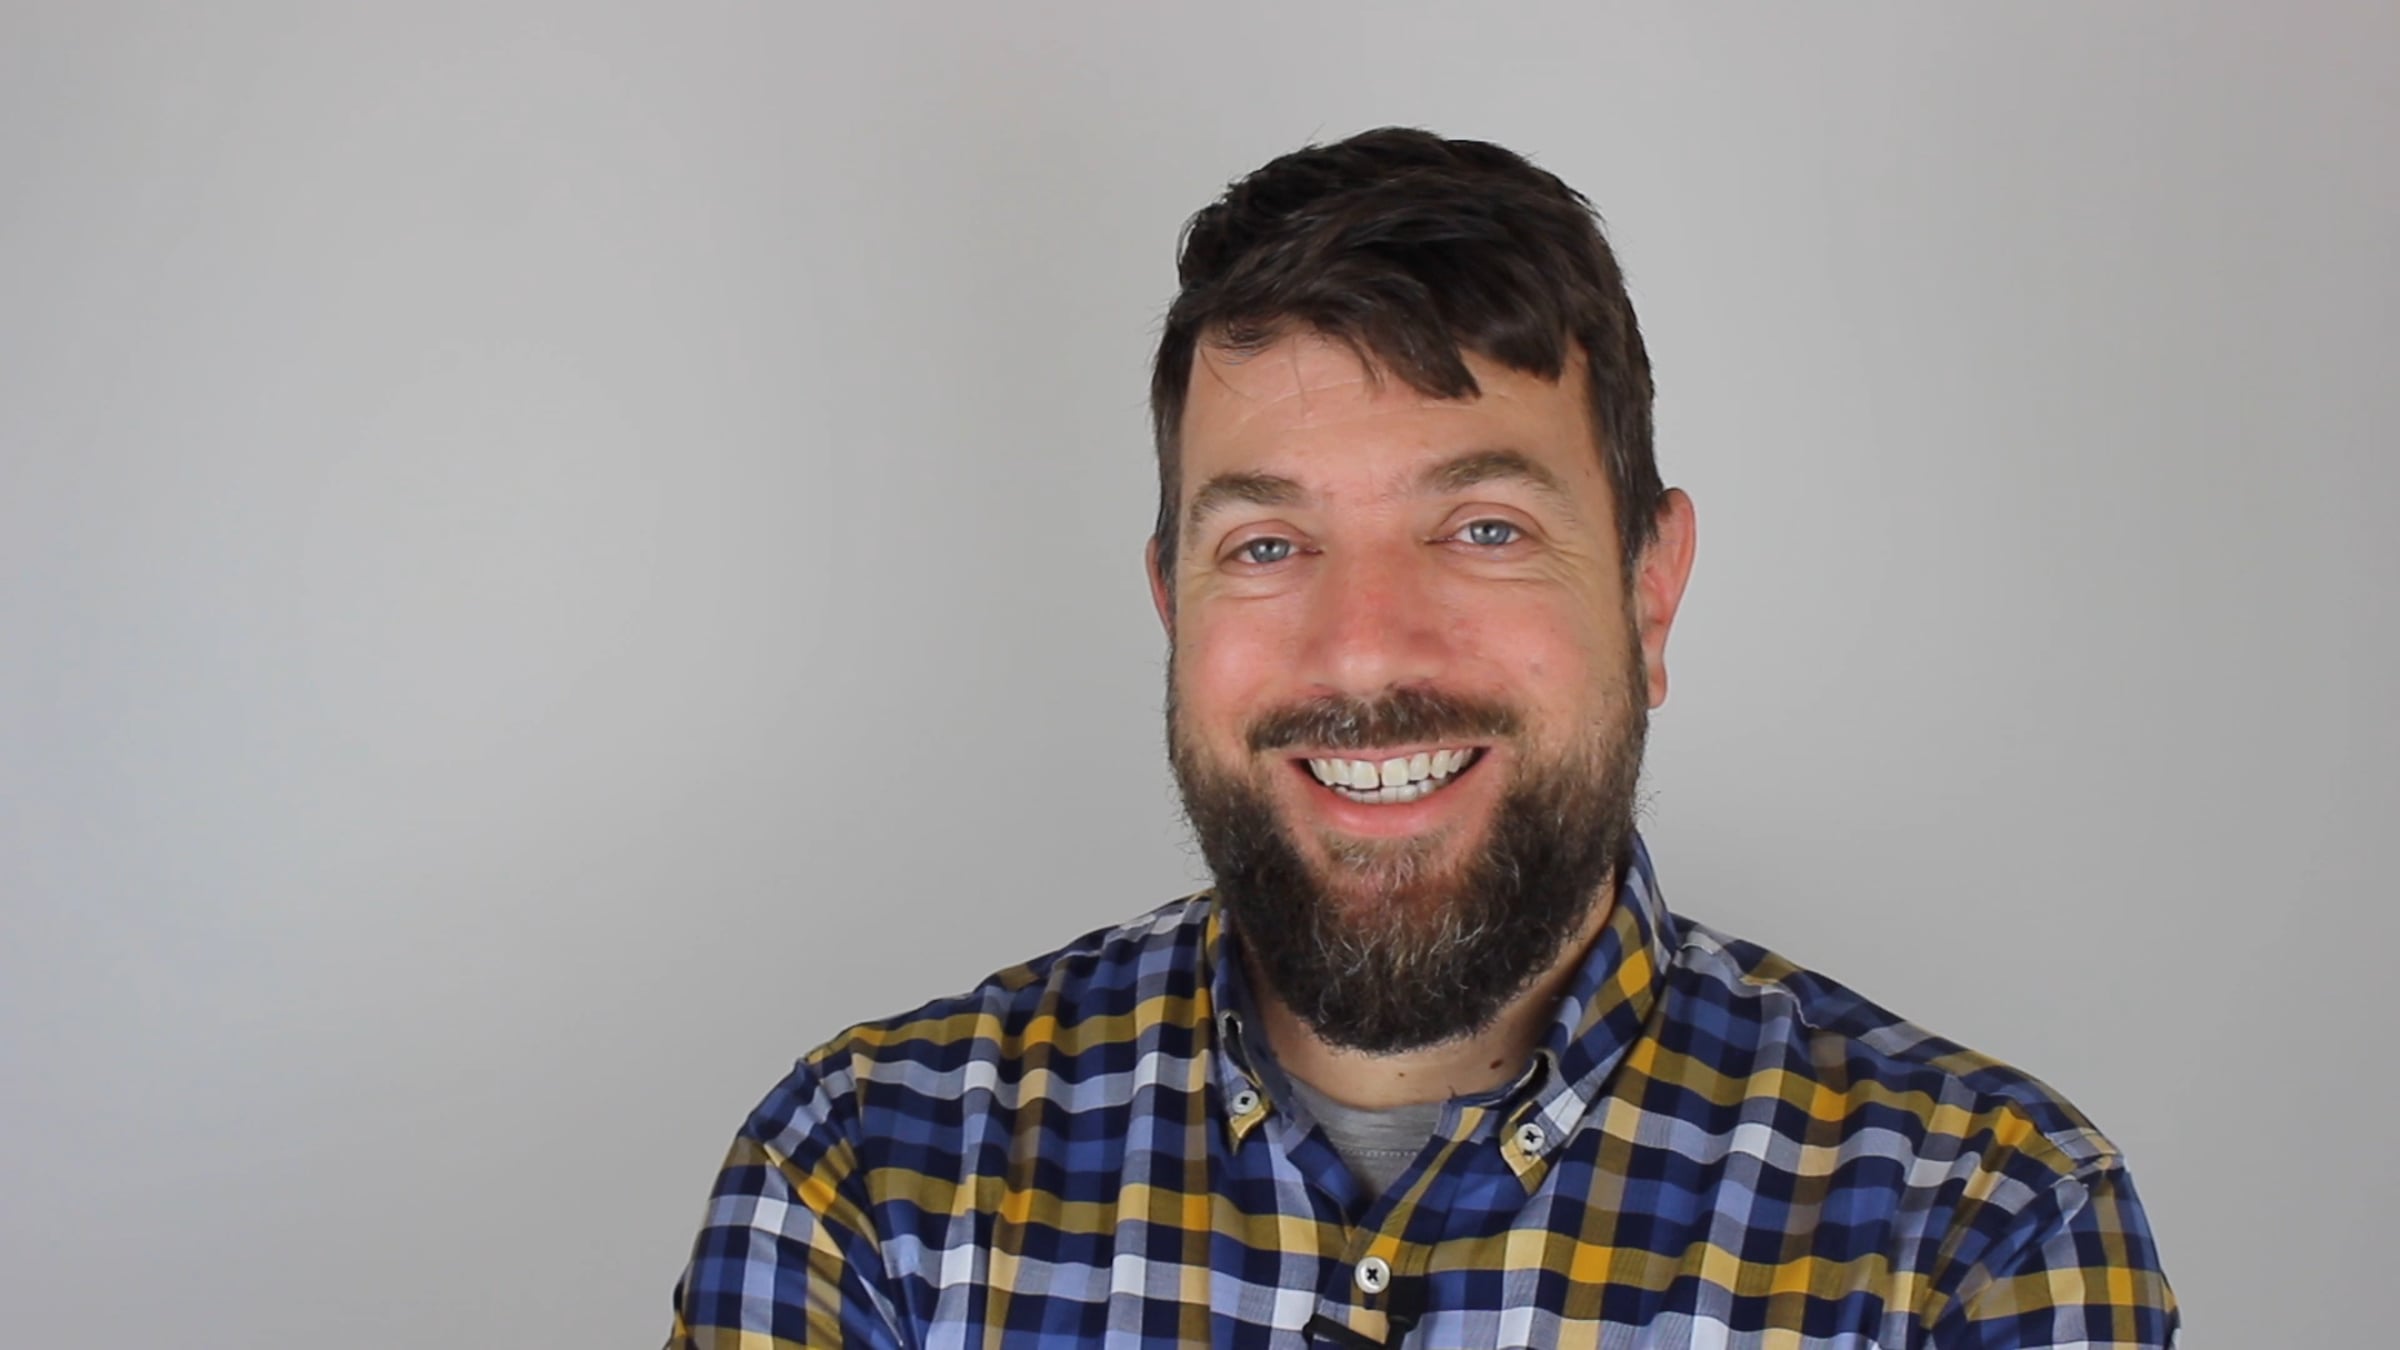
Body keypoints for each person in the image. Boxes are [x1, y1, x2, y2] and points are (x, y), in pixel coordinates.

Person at [665, 127, 2177, 1348]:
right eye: (1266, 545)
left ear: (1649, 592)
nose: (1366, 647)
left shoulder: (1980, 1234)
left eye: (1484, 527)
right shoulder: (867, 1181)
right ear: (1173, 606)